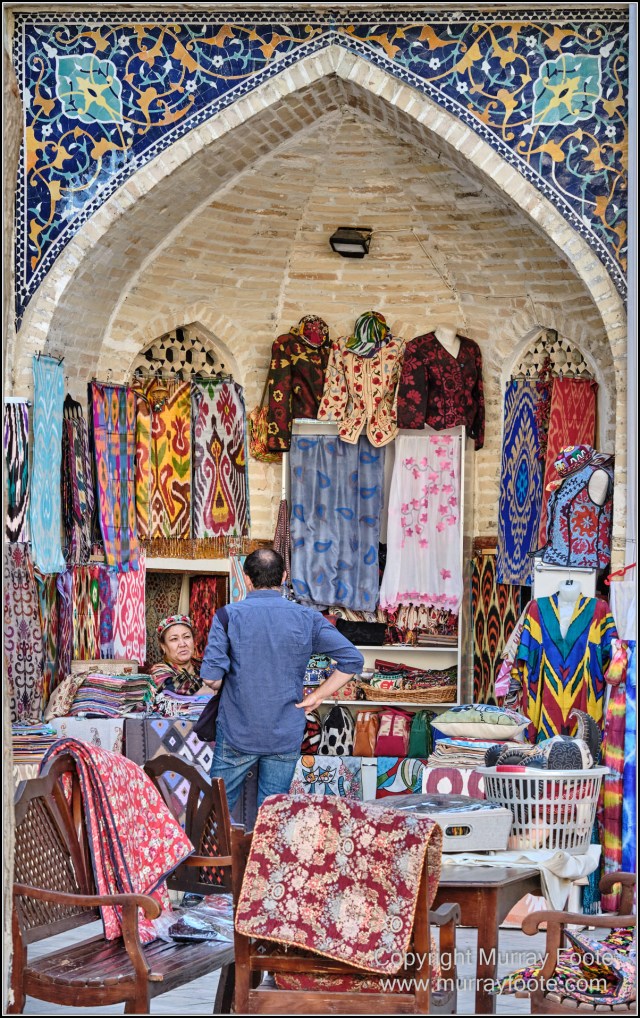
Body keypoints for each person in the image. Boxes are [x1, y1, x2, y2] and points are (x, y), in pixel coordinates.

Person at [200, 548, 364, 809]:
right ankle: (262, 851)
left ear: (246, 579)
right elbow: (352, 660)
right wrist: (317, 696)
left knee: (216, 811)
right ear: (285, 576)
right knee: (272, 815)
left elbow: (211, 679)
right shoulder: (308, 618)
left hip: (237, 730)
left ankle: (215, 851)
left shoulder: (227, 616)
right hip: (284, 731)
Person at [150, 615, 204, 695]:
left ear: (194, 641)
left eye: (186, 637)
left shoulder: (203, 666)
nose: (182, 644)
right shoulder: (159, 672)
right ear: (163, 646)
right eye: (174, 639)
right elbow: (179, 687)